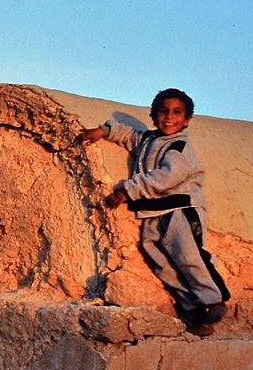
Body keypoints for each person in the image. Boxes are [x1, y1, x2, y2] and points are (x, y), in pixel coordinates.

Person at [78, 88, 231, 336]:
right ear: (153, 115)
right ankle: (192, 310)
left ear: (187, 120)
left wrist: (128, 190)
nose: (169, 117)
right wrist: (103, 131)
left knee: (189, 257)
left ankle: (212, 302)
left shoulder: (179, 146)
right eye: (163, 111)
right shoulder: (149, 140)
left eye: (177, 113)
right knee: (161, 262)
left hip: (181, 209)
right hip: (152, 212)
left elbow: (167, 176)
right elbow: (128, 135)